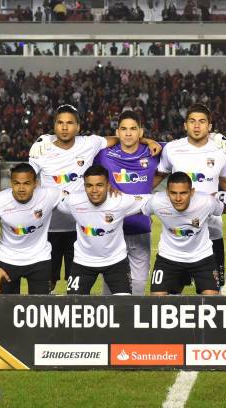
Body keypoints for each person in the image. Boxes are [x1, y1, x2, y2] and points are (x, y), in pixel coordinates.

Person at [28, 104, 160, 292]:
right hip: (50, 228)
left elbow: (121, 139)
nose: (65, 127)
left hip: (80, 228)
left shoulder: (90, 143)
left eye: (70, 123)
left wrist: (146, 140)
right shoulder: (42, 149)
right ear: (54, 125)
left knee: (79, 284)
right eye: (60, 123)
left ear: (78, 127)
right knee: (48, 281)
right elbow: (26, 178)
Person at [154, 104, 226, 286]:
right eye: (192, 121)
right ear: (185, 125)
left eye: (202, 122)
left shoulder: (222, 151)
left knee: (213, 290)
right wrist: (141, 200)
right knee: (173, 290)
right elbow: (159, 175)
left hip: (212, 230)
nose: (197, 126)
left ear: (210, 126)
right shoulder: (172, 149)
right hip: (178, 230)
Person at [94, 110, 161, 295]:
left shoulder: (154, 152)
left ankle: (132, 323)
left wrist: (149, 141)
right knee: (111, 287)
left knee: (138, 286)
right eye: (123, 129)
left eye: (133, 129)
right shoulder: (104, 154)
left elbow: (182, 149)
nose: (128, 133)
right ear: (117, 132)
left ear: (141, 131)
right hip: (113, 230)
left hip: (141, 229)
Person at [56, 164, 148, 295]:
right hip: (83, 261)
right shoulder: (73, 201)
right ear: (84, 187)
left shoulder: (120, 200)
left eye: (99, 185)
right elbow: (51, 200)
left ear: (108, 186)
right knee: (74, 306)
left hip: (115, 261)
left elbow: (150, 201)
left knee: (124, 306)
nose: (94, 190)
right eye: (89, 185)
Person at [0, 163, 64, 294]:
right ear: (11, 183)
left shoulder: (49, 194)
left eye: (27, 183)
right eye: (16, 183)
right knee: (2, 308)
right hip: (7, 260)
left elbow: (77, 199)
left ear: (35, 183)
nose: (21, 188)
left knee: (40, 309)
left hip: (40, 259)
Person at [145, 172, 223, 296]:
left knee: (212, 299)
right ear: (167, 192)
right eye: (173, 193)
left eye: (183, 193)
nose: (178, 198)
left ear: (192, 192)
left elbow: (221, 210)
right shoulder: (157, 201)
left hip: (201, 256)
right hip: (169, 256)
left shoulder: (206, 201)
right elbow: (138, 208)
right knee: (156, 299)